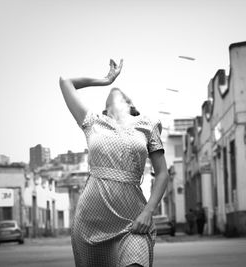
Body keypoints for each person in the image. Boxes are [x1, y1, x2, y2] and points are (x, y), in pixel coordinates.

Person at [59, 59, 169, 267]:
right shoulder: (92, 122)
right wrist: (106, 79)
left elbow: (162, 173)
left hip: (133, 221)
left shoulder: (148, 124)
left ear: (131, 104)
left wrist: (148, 212)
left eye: (122, 94)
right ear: (106, 109)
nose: (116, 91)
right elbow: (66, 82)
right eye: (110, 94)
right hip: (90, 224)